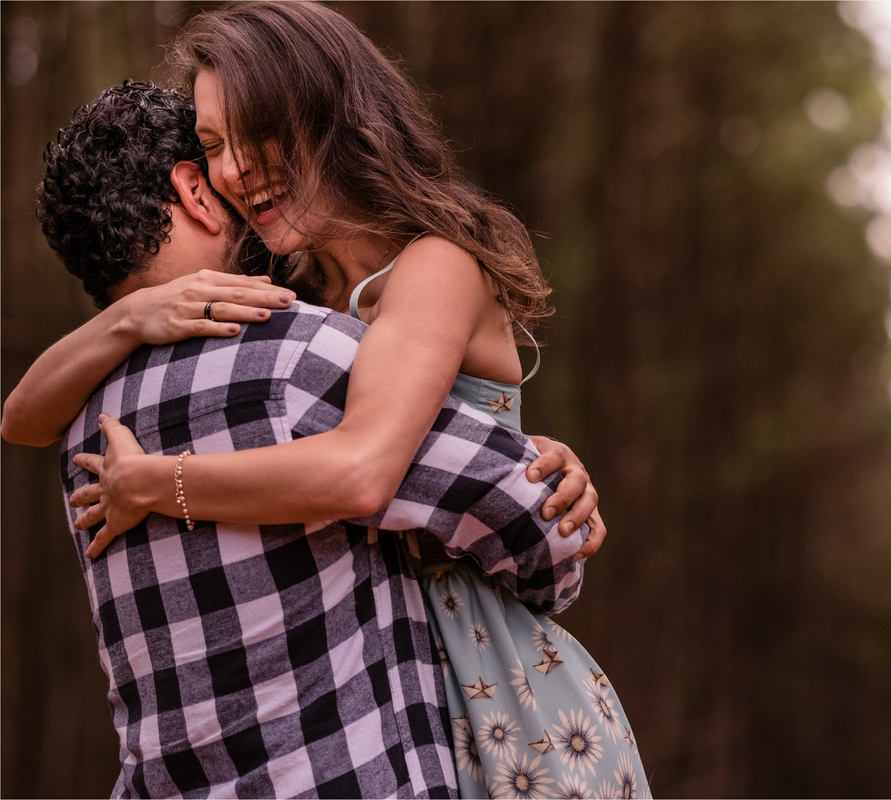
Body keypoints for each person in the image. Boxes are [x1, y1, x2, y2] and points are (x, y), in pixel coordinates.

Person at [68, 3, 651, 797]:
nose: (235, 170)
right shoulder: (294, 294)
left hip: (499, 696)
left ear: (330, 111)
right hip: (389, 683)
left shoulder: (436, 264)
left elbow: (363, 474)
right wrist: (126, 316)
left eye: (257, 131)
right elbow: (23, 417)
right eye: (212, 148)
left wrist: (157, 484)